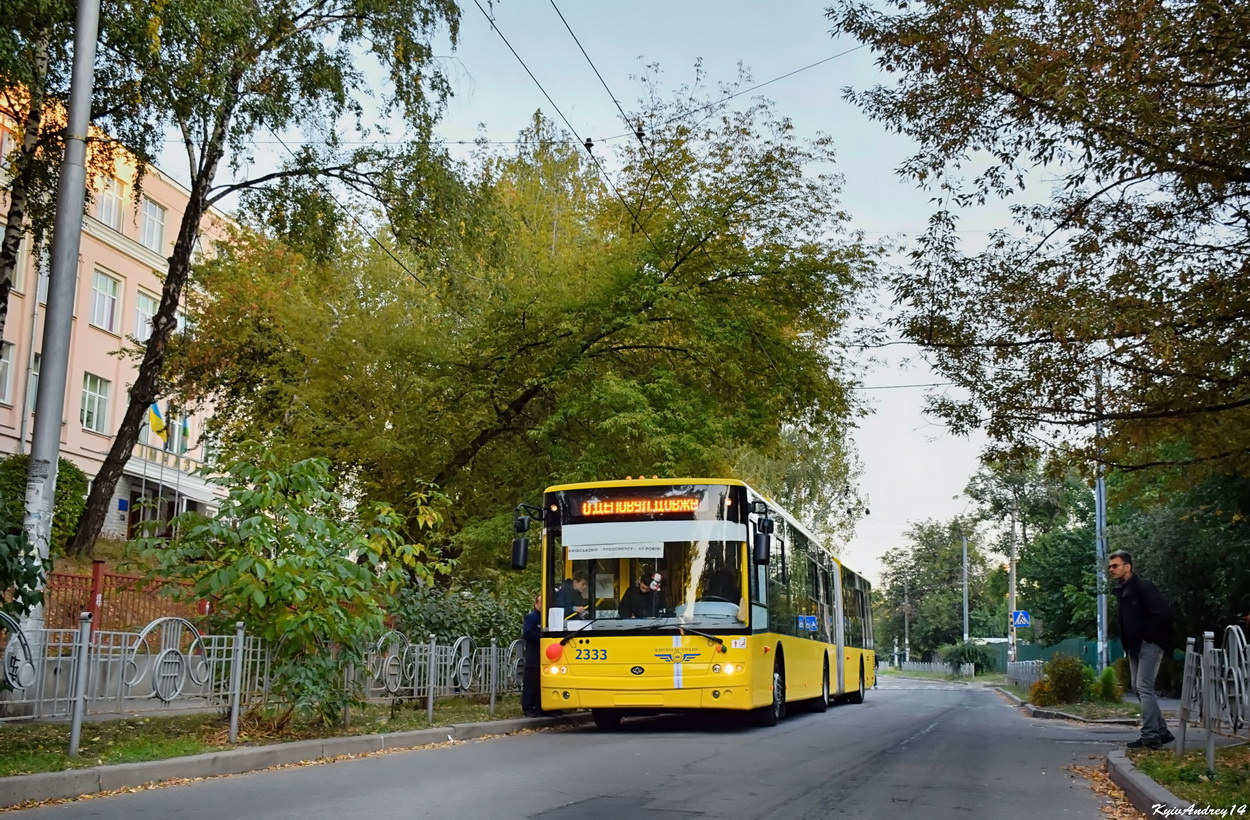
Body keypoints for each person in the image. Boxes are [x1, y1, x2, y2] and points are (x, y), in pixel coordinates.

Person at [1109, 550, 1175, 749]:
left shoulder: (1143, 587)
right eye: (1110, 566)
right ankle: (1161, 731)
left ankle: (1150, 736)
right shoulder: (1123, 590)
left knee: (1144, 688)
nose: (1111, 569)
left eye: (1115, 566)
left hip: (1149, 644)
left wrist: (1147, 635)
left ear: (1127, 566)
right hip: (1135, 646)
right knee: (1138, 688)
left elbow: (1163, 613)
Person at [521, 593, 543, 717]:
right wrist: (542, 638)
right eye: (541, 602)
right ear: (536, 604)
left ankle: (540, 707)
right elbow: (528, 633)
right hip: (534, 655)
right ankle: (528, 707)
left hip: (544, 656)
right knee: (531, 682)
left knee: (541, 682)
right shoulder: (531, 617)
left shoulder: (546, 617)